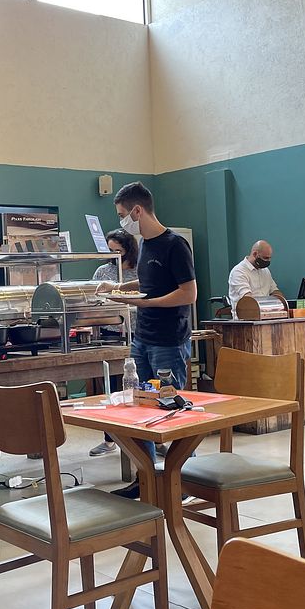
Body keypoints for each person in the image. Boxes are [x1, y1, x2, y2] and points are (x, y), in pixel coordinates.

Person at [97, 182, 197, 498]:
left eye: (122, 215)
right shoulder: (146, 246)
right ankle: (146, 480)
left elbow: (188, 293)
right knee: (141, 407)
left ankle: (184, 480)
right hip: (143, 338)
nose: (121, 221)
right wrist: (119, 289)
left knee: (173, 408)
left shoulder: (175, 245)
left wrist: (146, 303)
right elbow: (149, 282)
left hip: (169, 340)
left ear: (138, 211)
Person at [89, 229, 139, 457]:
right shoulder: (103, 271)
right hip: (110, 334)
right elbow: (94, 299)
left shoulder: (139, 270)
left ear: (129, 249)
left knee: (138, 388)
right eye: (110, 251)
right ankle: (110, 439)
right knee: (112, 389)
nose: (114, 256)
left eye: (118, 251)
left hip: (138, 332)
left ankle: (145, 438)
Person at [227, 240, 281, 316]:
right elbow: (247, 299)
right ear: (255, 254)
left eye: (269, 258)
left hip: (266, 315)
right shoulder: (239, 271)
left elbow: (274, 291)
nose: (268, 261)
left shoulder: (265, 270)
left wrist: (283, 304)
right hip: (246, 318)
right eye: (265, 258)